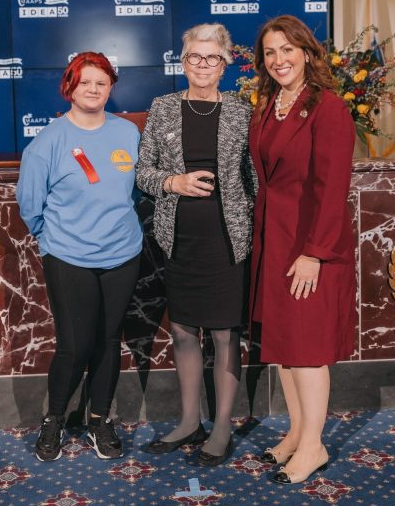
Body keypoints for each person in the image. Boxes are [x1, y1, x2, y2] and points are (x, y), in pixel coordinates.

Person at [135, 23, 257, 466]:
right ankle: (189, 421)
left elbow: (254, 180)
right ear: (182, 63)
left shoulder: (243, 111)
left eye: (212, 58)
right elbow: (142, 173)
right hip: (179, 238)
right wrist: (175, 181)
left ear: (225, 65)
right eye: (194, 58)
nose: (203, 65)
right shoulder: (164, 108)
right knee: (184, 330)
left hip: (228, 241)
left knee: (225, 334)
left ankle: (221, 426)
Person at [16, 51, 143, 462]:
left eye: (101, 83)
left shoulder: (127, 133)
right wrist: (53, 241)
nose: (93, 89)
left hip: (123, 253)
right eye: (85, 81)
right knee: (73, 345)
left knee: (108, 341)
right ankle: (53, 419)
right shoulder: (49, 141)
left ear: (111, 89)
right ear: (70, 86)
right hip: (69, 255)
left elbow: (138, 191)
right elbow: (30, 204)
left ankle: (99, 419)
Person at [247, 15, 356, 484]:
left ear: (308, 53)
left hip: (311, 247)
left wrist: (314, 252)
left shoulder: (328, 108)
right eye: (270, 53)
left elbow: (333, 189)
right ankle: (296, 433)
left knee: (309, 350)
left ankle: (313, 446)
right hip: (276, 243)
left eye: (287, 50)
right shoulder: (271, 105)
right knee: (287, 349)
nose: (279, 60)